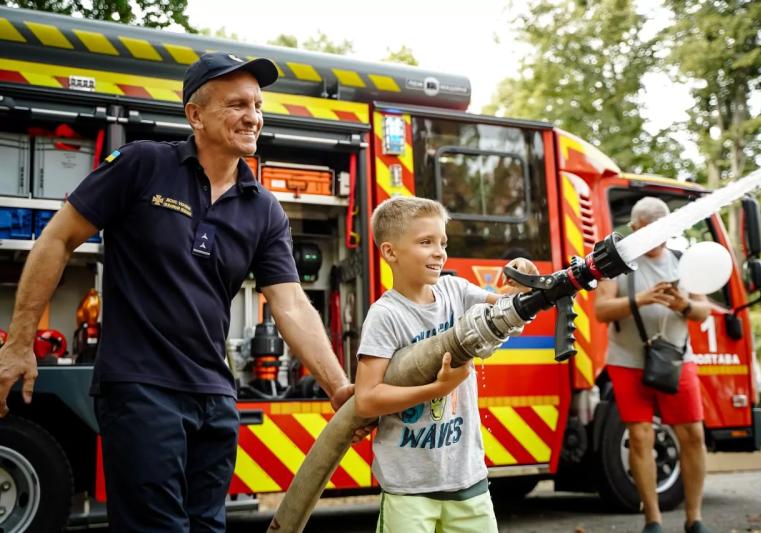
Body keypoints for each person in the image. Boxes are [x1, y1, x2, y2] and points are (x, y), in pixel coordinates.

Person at [0, 52, 364, 532]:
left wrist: (338, 385)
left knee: (207, 527)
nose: (253, 116)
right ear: (195, 114)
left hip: (215, 396)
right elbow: (58, 237)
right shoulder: (143, 165)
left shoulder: (263, 209)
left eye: (257, 104)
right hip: (140, 387)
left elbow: (291, 302)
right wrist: (20, 343)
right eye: (236, 104)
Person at [354, 196, 536, 533]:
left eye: (443, 243)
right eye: (426, 242)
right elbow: (366, 399)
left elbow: (507, 308)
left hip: (467, 481)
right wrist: (438, 389)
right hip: (409, 488)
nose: (440, 252)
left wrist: (522, 286)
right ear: (390, 252)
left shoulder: (455, 290)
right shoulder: (386, 316)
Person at [594, 196, 712, 533]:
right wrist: (642, 299)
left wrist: (683, 304)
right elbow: (601, 311)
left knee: (692, 434)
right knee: (641, 436)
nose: (656, 239)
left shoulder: (682, 261)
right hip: (628, 360)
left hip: (677, 358)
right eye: (648, 231)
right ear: (634, 229)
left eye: (662, 231)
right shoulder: (616, 262)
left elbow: (704, 311)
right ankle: (653, 521)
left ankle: (695, 518)